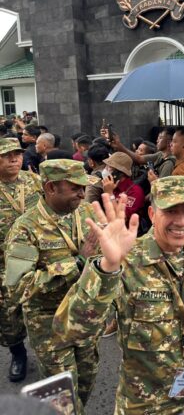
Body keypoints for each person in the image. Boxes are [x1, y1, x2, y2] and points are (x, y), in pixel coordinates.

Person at [53, 177, 184, 415]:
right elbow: (70, 330)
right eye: (171, 211)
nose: (182, 221)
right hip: (148, 401)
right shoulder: (127, 259)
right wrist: (108, 267)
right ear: (152, 214)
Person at [4, 160, 100, 414]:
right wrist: (75, 263)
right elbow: (18, 286)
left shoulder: (87, 212)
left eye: (84, 187)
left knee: (85, 383)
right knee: (64, 399)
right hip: (49, 322)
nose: (82, 193)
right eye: (75, 188)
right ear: (50, 187)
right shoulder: (25, 228)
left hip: (85, 317)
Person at [0, 138, 42, 382]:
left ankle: (51, 355)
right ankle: (18, 354)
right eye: (7, 155)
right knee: (9, 316)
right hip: (5, 266)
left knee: (43, 309)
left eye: (17, 154)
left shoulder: (34, 182)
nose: (14, 159)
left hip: (39, 261)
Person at [102, 152, 145, 223]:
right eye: (106, 166)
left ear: (118, 173)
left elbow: (121, 219)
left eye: (109, 167)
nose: (105, 170)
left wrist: (109, 194)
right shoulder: (110, 185)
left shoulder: (135, 192)